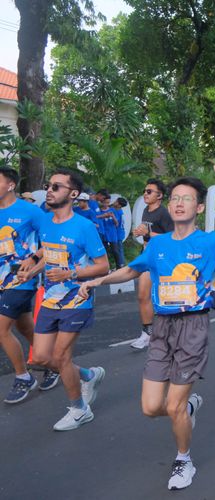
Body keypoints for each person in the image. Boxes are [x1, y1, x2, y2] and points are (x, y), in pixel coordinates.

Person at [79, 162, 215, 490]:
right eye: (174, 198)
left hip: (193, 327)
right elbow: (131, 270)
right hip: (161, 328)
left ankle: (183, 459)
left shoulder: (210, 242)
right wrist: (97, 281)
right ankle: (188, 406)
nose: (178, 203)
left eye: (186, 198)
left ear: (199, 208)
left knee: (172, 406)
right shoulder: (157, 245)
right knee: (150, 407)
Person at [21, 168, 110, 431]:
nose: (49, 190)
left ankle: (79, 409)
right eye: (49, 186)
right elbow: (49, 253)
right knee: (40, 358)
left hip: (77, 299)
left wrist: (70, 273)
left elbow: (103, 266)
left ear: (73, 194)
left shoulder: (85, 227)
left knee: (61, 356)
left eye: (56, 187)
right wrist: (32, 267)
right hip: (50, 299)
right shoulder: (46, 223)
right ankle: (88, 375)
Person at [0, 167, 59, 404]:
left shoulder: (30, 211)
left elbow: (52, 239)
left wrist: (34, 259)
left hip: (21, 279)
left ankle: (23, 377)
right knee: (24, 326)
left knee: (1, 329)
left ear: (11, 185)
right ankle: (53, 364)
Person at [130, 179, 174, 350]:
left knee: (165, 298)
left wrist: (148, 232)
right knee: (142, 295)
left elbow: (172, 237)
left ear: (160, 195)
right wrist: (141, 234)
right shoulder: (146, 211)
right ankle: (147, 333)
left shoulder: (164, 214)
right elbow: (148, 234)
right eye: (145, 190)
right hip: (148, 256)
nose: (145, 194)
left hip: (163, 259)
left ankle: (170, 331)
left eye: (149, 191)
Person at [96, 193, 123, 269]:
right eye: (105, 202)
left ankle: (119, 267)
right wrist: (103, 216)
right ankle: (107, 267)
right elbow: (95, 218)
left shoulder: (113, 210)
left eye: (108, 203)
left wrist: (113, 216)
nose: (106, 204)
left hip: (112, 233)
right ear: (102, 202)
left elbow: (117, 224)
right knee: (105, 252)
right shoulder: (99, 210)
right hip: (103, 233)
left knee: (115, 251)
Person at [111, 197, 128, 268]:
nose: (114, 202)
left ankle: (121, 265)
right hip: (120, 232)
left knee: (118, 250)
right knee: (119, 250)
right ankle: (121, 265)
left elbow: (116, 223)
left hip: (118, 233)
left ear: (119, 205)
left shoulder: (116, 211)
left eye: (116, 201)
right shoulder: (120, 211)